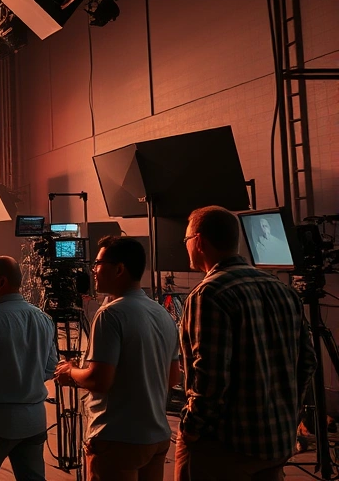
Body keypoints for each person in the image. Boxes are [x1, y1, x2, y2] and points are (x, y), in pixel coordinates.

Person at [176, 206, 316, 480]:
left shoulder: (209, 293)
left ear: (200, 242)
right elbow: (307, 362)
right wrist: (288, 416)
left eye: (186, 241)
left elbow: (211, 379)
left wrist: (190, 428)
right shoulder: (282, 289)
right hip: (276, 444)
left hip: (226, 449)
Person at [53, 236, 179, 481]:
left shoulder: (110, 314)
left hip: (116, 438)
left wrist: (70, 372)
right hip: (157, 438)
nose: (94, 272)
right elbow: (172, 378)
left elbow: (99, 380)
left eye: (98, 264)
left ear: (119, 269)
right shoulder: (163, 314)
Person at [0, 256, 57, 481]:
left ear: (1, 282)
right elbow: (51, 368)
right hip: (34, 420)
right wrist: (26, 379)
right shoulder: (43, 318)